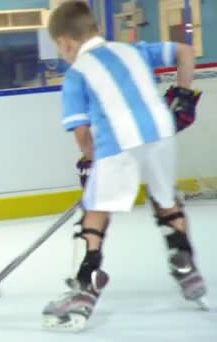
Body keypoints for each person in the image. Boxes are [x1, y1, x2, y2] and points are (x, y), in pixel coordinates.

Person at [42, 1, 207, 331]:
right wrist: (183, 93)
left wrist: (90, 163)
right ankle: (186, 266)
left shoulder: (77, 73)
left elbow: (82, 133)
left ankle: (86, 285)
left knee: (96, 211)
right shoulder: (134, 50)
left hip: (119, 141)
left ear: (64, 43)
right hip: (162, 131)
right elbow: (186, 51)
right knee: (165, 200)